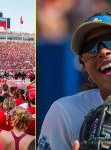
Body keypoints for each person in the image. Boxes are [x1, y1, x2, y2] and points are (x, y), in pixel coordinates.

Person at [38, 11, 111, 150]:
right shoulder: (64, 112)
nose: (103, 52)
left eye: (109, 40)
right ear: (85, 68)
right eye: (91, 48)